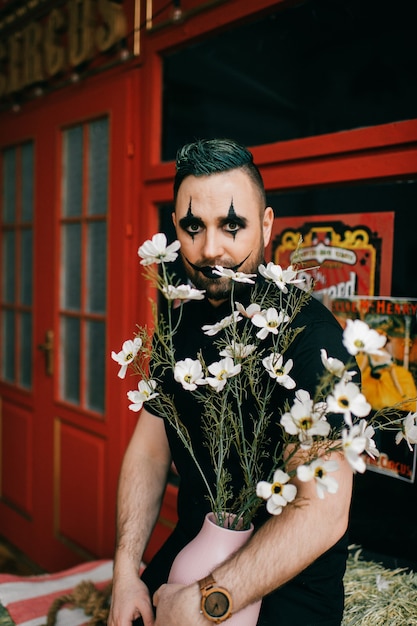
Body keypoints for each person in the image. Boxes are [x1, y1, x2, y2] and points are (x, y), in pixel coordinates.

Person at [108, 139, 355, 626]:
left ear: (265, 225)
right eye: (193, 227)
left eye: (232, 224)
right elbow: (150, 450)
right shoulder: (178, 327)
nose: (210, 249)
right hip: (193, 550)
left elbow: (323, 512)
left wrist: (209, 601)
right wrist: (124, 567)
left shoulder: (311, 340)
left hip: (290, 585)